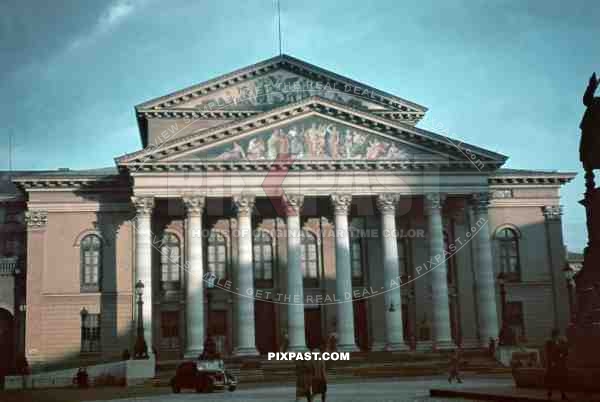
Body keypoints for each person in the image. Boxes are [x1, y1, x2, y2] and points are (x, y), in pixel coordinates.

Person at [545, 329, 569, 400]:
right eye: (558, 335)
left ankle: (561, 394)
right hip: (553, 364)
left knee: (559, 379)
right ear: (555, 335)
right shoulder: (549, 342)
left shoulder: (558, 342)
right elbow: (549, 353)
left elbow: (563, 352)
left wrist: (564, 345)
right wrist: (553, 362)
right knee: (554, 379)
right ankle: (551, 393)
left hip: (557, 364)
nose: (559, 336)